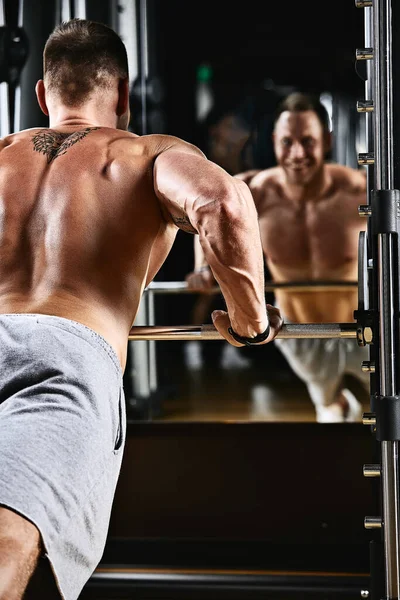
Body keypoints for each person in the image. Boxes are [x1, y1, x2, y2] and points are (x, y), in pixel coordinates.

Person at [0, 18, 283, 600]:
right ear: (125, 94)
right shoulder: (146, 154)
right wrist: (251, 325)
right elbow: (223, 204)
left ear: (41, 93)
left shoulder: (2, 153)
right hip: (63, 363)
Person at [186, 91, 369, 423]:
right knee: (330, 412)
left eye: (308, 142)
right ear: (274, 142)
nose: (297, 153)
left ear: (326, 142)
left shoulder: (358, 192)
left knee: (384, 413)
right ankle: (336, 409)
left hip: (360, 332)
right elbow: (208, 211)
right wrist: (201, 268)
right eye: (288, 142)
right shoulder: (256, 193)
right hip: (301, 336)